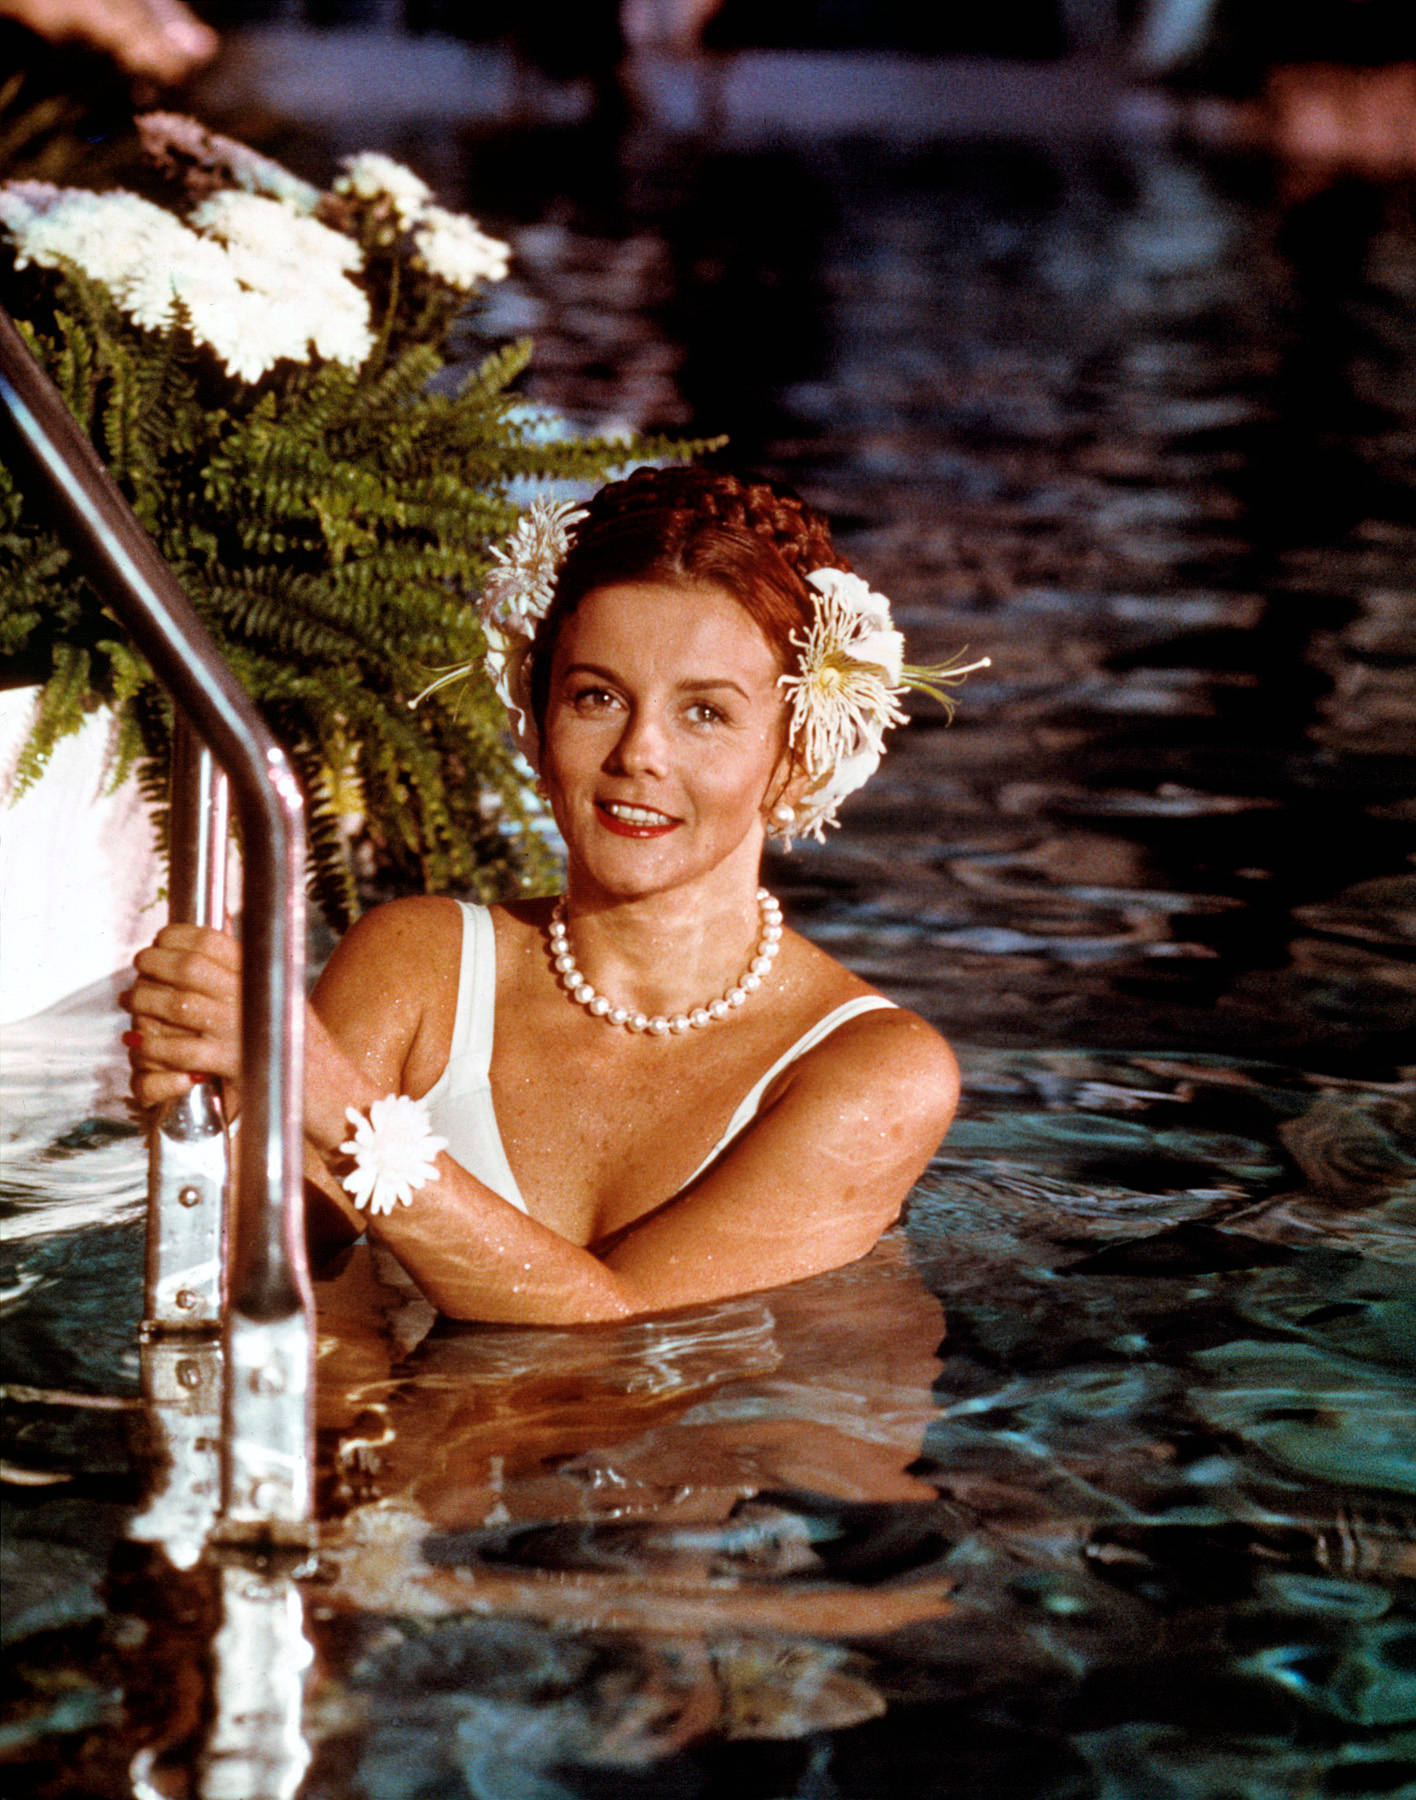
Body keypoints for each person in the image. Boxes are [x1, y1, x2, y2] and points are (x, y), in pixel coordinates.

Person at [123, 467, 983, 1325]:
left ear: (797, 756)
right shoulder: (418, 969)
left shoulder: (876, 1073)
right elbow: (261, 1275)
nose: (639, 752)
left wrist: (328, 1103)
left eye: (706, 714)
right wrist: (205, 1119)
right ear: (535, 727)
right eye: (597, 697)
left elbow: (616, 1330)